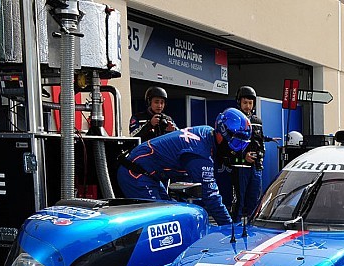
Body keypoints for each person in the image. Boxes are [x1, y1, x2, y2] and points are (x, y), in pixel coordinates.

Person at [117, 108, 252, 226]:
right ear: (222, 132)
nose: (236, 149)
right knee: (159, 223)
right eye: (236, 142)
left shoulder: (207, 132)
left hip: (150, 175)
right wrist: (228, 228)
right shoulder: (201, 153)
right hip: (135, 173)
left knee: (170, 214)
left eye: (242, 144)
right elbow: (211, 197)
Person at [219, 86, 276, 218]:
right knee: (239, 201)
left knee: (255, 201)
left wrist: (260, 158)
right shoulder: (231, 120)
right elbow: (226, 146)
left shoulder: (257, 121)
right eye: (245, 102)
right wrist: (243, 155)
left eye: (250, 103)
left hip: (256, 168)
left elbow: (260, 142)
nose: (248, 106)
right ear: (239, 102)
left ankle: (251, 229)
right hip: (240, 167)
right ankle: (236, 229)